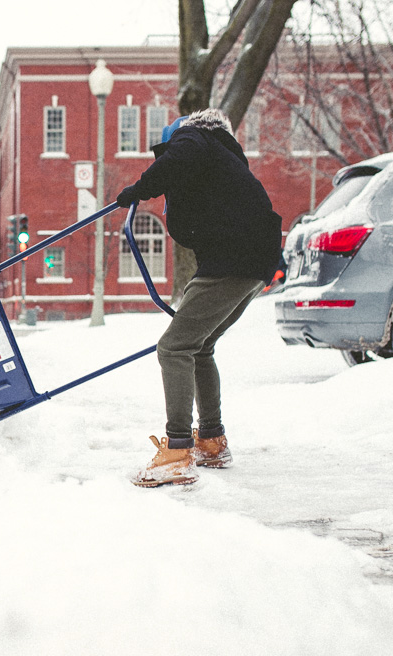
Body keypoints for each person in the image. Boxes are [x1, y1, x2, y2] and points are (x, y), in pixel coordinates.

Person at [115, 108, 282, 488]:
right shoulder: (222, 153)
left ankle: (176, 451)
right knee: (199, 347)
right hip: (253, 262)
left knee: (173, 348)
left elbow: (179, 158)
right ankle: (211, 441)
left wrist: (138, 190)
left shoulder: (194, 137)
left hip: (234, 259)